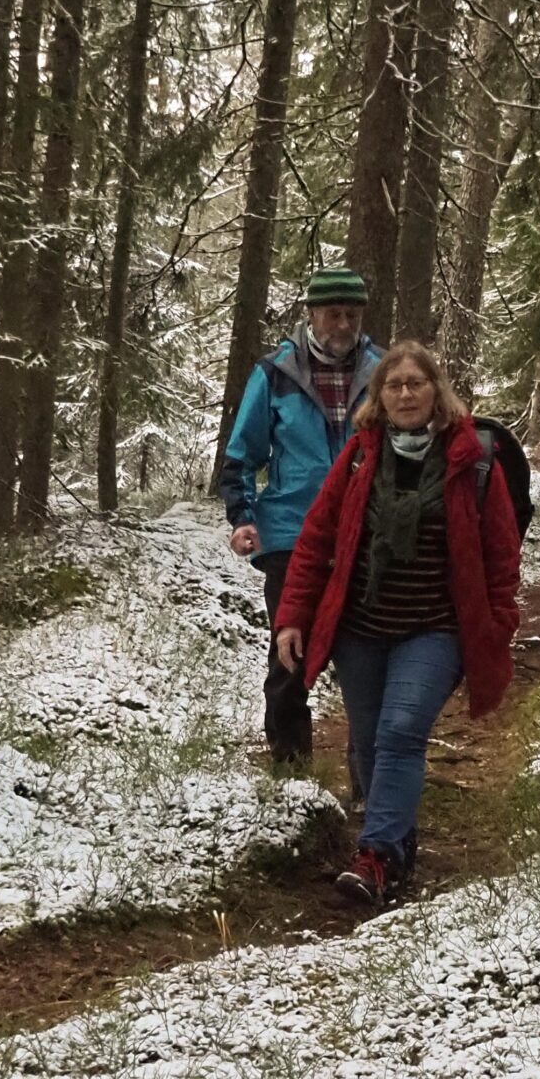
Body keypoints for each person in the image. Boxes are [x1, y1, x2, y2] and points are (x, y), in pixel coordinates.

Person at [272, 342, 524, 905]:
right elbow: (315, 541)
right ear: (379, 398)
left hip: (434, 628)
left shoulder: (472, 459)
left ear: (437, 391)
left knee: (401, 731)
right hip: (360, 627)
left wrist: (496, 623)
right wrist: (292, 617)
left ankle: (377, 857)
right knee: (367, 743)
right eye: (394, 385)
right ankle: (397, 840)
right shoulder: (361, 456)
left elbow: (501, 554)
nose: (406, 393)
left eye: (417, 383)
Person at [221, 267, 383, 765]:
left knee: (366, 659)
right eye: (333, 313)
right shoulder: (275, 374)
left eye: (352, 314)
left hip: (366, 533)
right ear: (311, 313)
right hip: (292, 531)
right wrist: (243, 516)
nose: (343, 324)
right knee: (291, 654)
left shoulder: (382, 372)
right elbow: (242, 454)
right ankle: (291, 770)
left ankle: (368, 777)